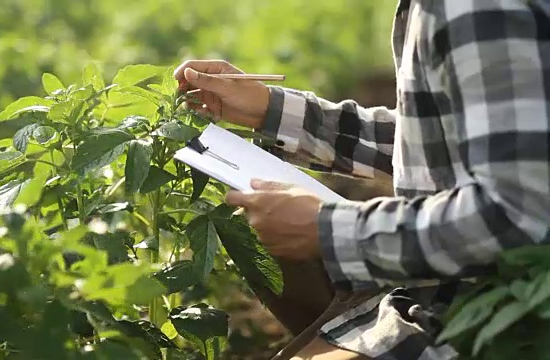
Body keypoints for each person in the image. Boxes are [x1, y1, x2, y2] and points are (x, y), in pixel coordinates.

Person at [174, 0, 550, 359]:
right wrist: (273, 111)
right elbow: (444, 140)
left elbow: (516, 215)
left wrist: (329, 229)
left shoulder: (473, 8)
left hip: (499, 310)